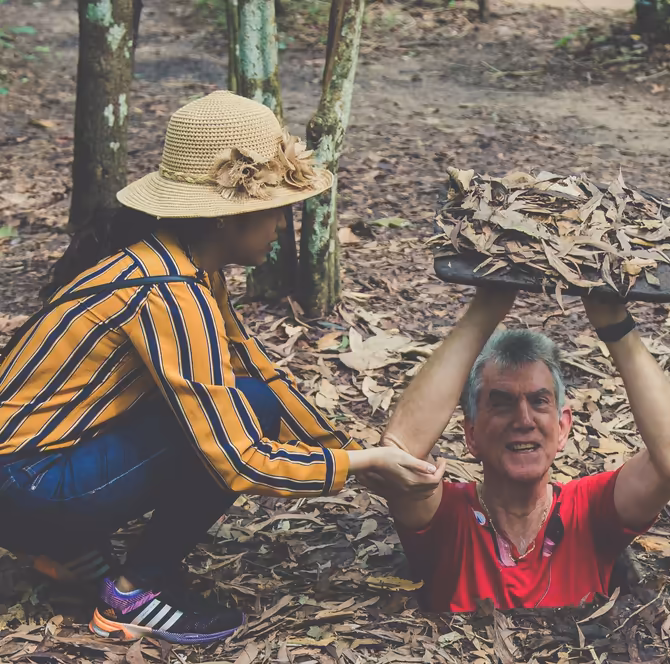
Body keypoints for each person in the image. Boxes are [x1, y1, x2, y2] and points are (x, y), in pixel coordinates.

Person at [0, 91, 443, 644]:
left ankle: (66, 552)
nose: (285, 224)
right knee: (246, 411)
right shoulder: (170, 294)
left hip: (28, 470)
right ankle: (133, 593)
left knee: (250, 395)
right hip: (26, 486)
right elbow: (238, 459)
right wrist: (352, 466)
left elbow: (248, 359)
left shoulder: (176, 264)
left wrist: (341, 444)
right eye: (275, 209)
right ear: (223, 218)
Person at [372, 290, 670, 612]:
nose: (524, 419)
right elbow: (399, 453)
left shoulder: (589, 513)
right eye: (502, 404)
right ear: (471, 434)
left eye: (539, 401)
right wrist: (485, 309)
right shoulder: (448, 518)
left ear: (562, 428)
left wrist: (613, 321)